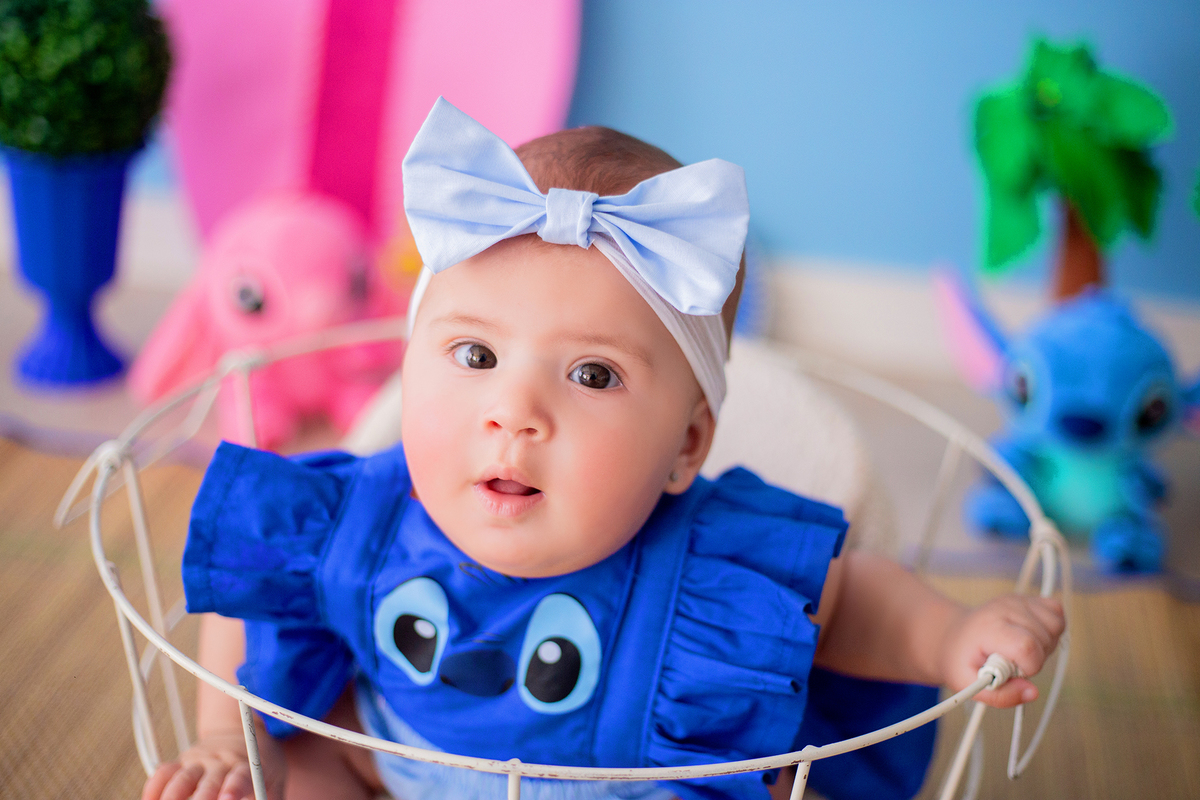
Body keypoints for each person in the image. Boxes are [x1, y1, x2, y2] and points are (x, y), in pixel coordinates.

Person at [143, 99, 1064, 800]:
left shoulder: (704, 563)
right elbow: (251, 606)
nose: (515, 412)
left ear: (686, 444)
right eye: (474, 355)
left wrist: (951, 636)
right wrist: (228, 735)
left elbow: (851, 598)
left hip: (610, 781)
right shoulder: (365, 515)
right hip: (392, 763)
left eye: (591, 376)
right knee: (295, 760)